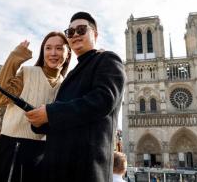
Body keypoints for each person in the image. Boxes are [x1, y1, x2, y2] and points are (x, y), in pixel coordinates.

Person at [26, 11, 126, 182]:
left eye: (81, 30)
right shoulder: (72, 74)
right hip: (57, 170)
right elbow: (67, 119)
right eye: (70, 32)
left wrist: (50, 113)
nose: (75, 35)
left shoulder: (107, 59)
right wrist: (40, 122)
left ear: (95, 33)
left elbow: (103, 101)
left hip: (84, 170)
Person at [0, 31, 71, 182]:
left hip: (44, 154)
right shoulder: (27, 73)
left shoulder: (67, 85)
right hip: (13, 148)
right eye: (48, 48)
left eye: (59, 48)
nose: (53, 53)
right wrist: (15, 58)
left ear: (67, 53)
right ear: (42, 51)